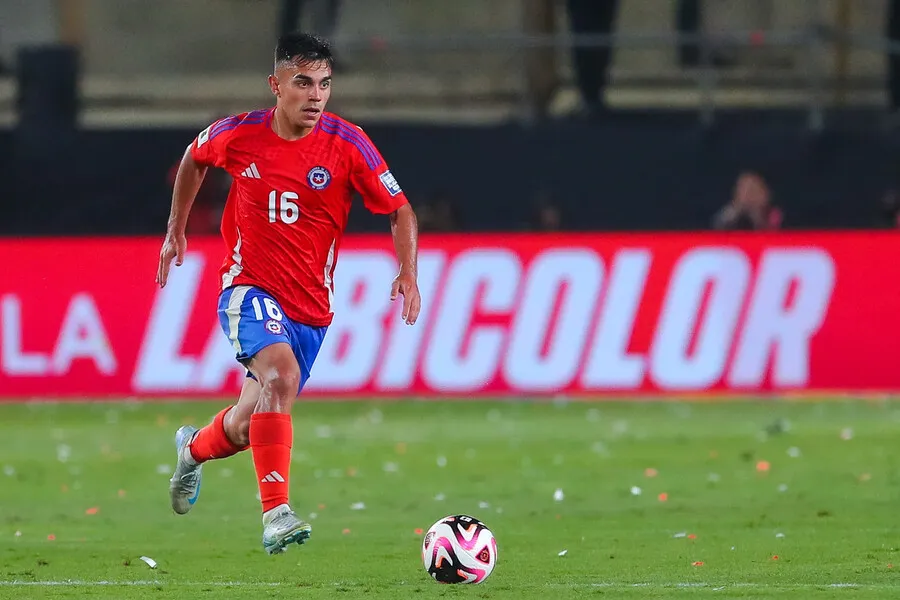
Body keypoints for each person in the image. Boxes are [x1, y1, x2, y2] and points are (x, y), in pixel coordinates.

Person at [155, 33, 421, 556]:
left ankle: (193, 449)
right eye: (303, 83)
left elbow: (400, 209)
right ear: (276, 86)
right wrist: (175, 229)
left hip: (311, 309)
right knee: (280, 376)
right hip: (248, 286)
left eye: (324, 84)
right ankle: (276, 515)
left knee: (246, 425)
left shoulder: (349, 143)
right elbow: (194, 157)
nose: (315, 95)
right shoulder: (240, 134)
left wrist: (408, 271)